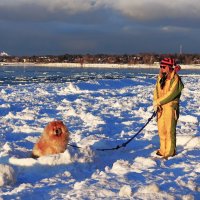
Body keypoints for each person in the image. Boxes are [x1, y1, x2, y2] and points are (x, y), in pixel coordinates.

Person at [153, 58, 184, 159]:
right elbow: (156, 91)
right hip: (161, 108)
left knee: (169, 130)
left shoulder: (175, 79)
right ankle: (163, 150)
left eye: (164, 67)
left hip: (171, 108)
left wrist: (159, 101)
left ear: (169, 67)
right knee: (161, 129)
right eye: (161, 66)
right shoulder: (160, 78)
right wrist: (156, 103)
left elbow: (171, 94)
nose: (162, 69)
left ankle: (170, 152)